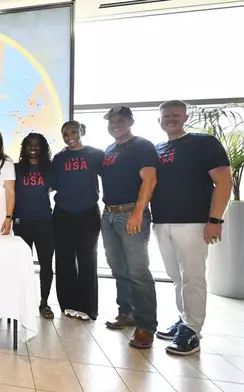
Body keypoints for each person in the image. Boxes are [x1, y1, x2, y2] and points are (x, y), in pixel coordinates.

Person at [151, 100, 232, 355]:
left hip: (193, 222)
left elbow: (224, 181)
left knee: (193, 278)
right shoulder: (158, 148)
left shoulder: (203, 143)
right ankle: (183, 319)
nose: (170, 119)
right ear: (159, 120)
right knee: (176, 276)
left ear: (185, 117)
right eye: (165, 116)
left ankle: (193, 330)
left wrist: (215, 220)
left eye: (175, 115)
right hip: (162, 222)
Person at [99, 106, 158, 349]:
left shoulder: (142, 145)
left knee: (138, 271)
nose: (115, 124)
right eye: (111, 121)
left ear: (131, 121)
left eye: (120, 120)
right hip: (109, 214)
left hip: (131, 213)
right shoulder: (110, 149)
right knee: (119, 268)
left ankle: (146, 326)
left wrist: (138, 212)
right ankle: (127, 312)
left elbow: (150, 179)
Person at [52, 121, 104, 321]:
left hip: (88, 213)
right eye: (65, 133)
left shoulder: (96, 154)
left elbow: (110, 176)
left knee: (87, 259)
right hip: (63, 213)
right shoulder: (59, 158)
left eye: (73, 131)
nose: (69, 135)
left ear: (82, 131)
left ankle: (88, 307)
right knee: (64, 260)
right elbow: (52, 184)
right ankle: (67, 304)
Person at [13, 133, 55, 319]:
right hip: (22, 222)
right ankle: (22, 301)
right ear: (24, 147)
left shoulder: (50, 169)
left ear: (43, 147)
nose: (33, 147)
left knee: (46, 265)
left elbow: (56, 188)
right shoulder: (16, 168)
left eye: (37, 144)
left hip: (45, 222)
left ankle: (44, 302)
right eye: (29, 144)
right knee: (22, 264)